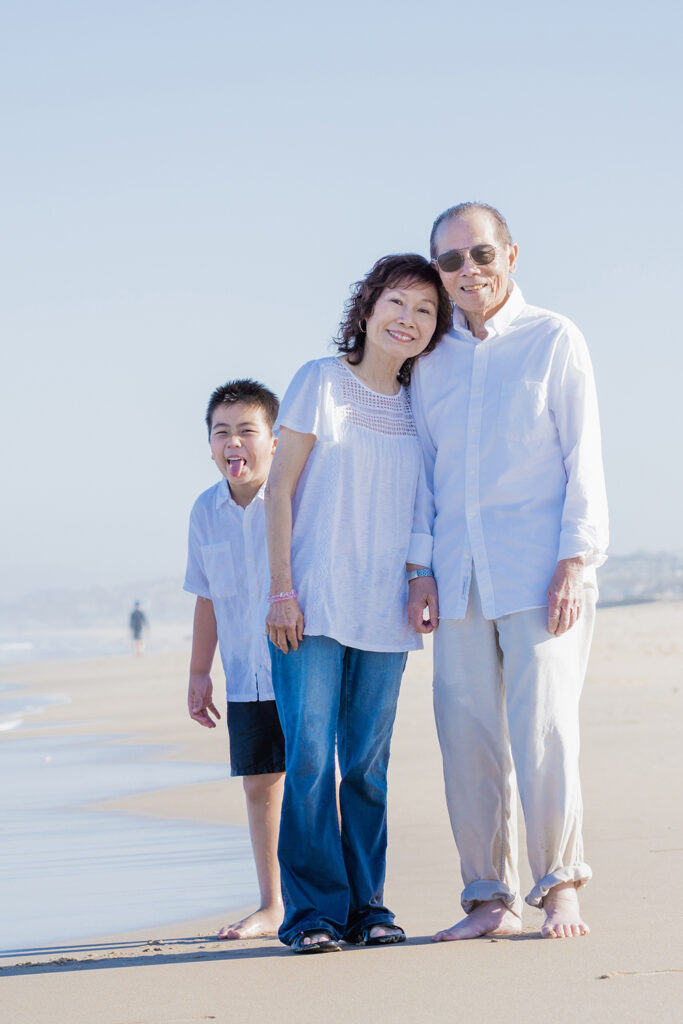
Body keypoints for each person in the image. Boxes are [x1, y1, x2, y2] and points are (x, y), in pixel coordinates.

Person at [407, 202, 609, 941]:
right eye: (450, 261)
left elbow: (580, 455)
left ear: (510, 256)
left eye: (480, 255)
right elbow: (423, 473)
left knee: (545, 728)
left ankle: (559, 886)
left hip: (539, 569)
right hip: (455, 572)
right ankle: (489, 897)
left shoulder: (554, 338)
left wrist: (573, 557)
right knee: (464, 735)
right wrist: (417, 568)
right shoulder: (428, 361)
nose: (468, 272)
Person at [265, 254, 453, 954]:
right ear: (368, 307)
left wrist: (417, 575)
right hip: (309, 604)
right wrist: (280, 591)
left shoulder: (418, 405)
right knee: (312, 757)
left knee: (367, 766)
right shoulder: (321, 382)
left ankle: (367, 905)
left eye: (425, 311)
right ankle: (311, 912)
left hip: (383, 610)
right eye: (397, 303)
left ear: (434, 331)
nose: (408, 319)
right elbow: (278, 492)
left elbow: (421, 508)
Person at [184, 378, 286, 940]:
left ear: (274, 440)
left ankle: (328, 896)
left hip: (300, 662)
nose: (234, 442)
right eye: (221, 432)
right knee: (259, 784)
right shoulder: (206, 510)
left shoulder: (296, 496)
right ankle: (272, 905)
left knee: (316, 781)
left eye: (247, 430)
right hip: (244, 673)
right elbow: (207, 595)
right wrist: (199, 673)